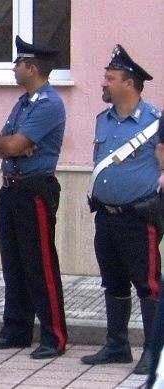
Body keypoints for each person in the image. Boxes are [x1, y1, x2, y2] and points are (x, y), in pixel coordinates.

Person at [0, 36, 67, 359]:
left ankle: (54, 336)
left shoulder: (48, 104)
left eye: (18, 63)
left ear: (32, 67)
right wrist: (2, 142)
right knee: (13, 263)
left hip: (34, 190)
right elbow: (2, 144)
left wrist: (10, 144)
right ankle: (16, 330)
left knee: (40, 265)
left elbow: (14, 145)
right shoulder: (23, 103)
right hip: (11, 188)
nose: (14, 68)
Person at [82, 45, 160, 375]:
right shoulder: (103, 120)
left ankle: (154, 352)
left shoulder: (156, 122)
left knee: (148, 285)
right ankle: (117, 345)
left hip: (138, 218)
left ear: (128, 84)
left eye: (110, 78)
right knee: (113, 282)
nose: (103, 82)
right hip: (106, 215)